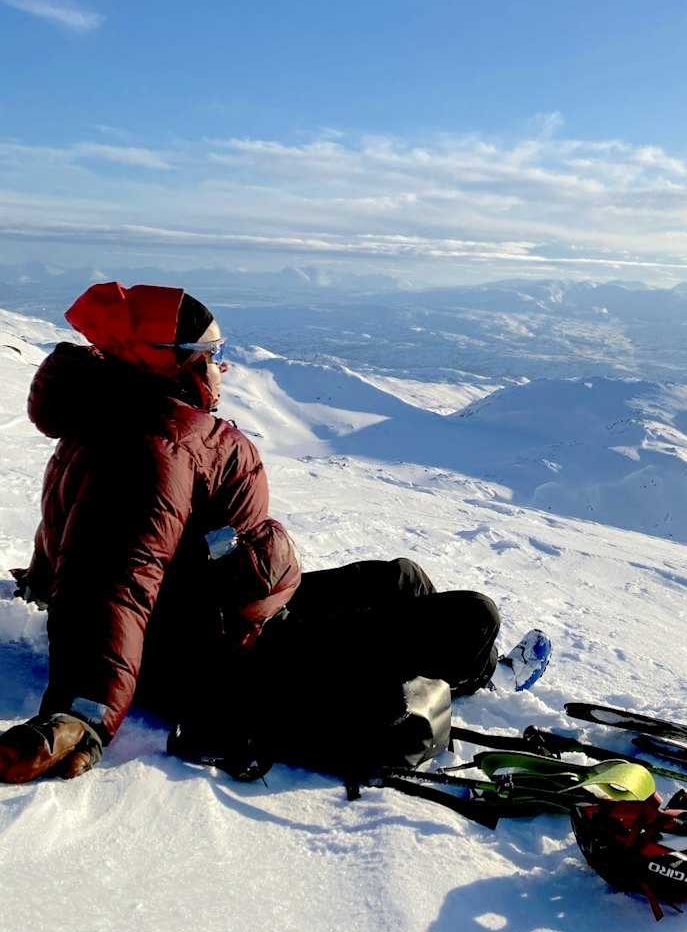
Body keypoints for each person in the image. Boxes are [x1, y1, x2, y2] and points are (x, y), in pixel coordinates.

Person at [0, 281, 501, 785]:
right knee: (473, 618)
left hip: (231, 610)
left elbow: (84, 537)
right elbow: (116, 582)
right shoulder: (153, 451)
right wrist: (85, 712)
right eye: (214, 353)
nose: (225, 365)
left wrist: (42, 578)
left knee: (402, 578)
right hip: (220, 657)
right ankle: (471, 675)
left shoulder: (135, 418)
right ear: (175, 362)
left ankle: (456, 672)